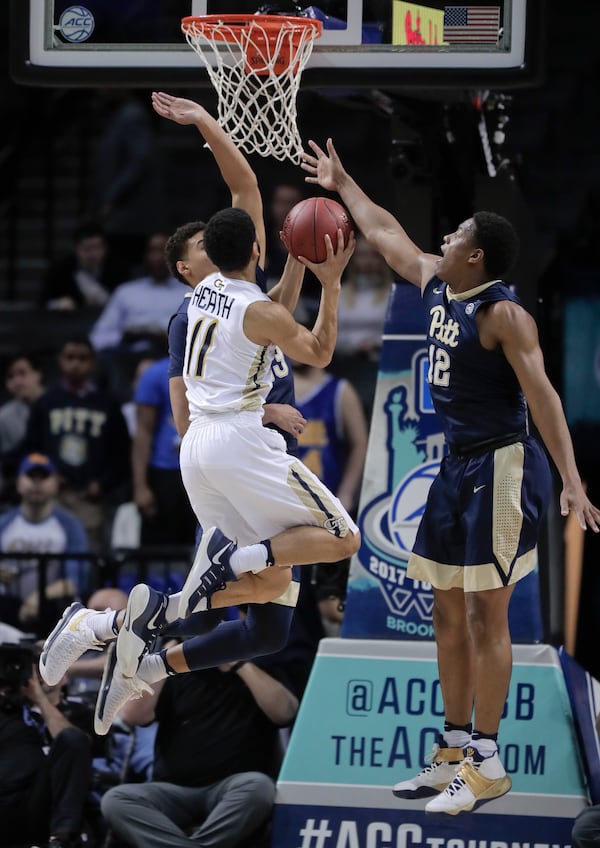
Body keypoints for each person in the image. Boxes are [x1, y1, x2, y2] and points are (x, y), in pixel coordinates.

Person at [39, 92, 358, 738]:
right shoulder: (230, 307)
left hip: (209, 455)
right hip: (240, 447)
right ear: (247, 247)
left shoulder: (212, 292)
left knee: (269, 620)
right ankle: (202, 587)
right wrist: (330, 279)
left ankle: (119, 640)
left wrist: (205, 121)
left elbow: (242, 184)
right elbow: (314, 347)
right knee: (341, 538)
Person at [300, 137, 600, 814]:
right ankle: (451, 750)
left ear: (478, 256)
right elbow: (383, 230)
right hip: (452, 466)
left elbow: (546, 398)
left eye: (457, 233)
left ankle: (488, 762)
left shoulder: (505, 315)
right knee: (443, 612)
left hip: (500, 466)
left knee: (484, 613)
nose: (444, 235)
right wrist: (344, 181)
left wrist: (573, 479)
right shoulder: (438, 279)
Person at [100, 630, 299, 848]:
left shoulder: (259, 662)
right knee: (116, 800)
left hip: (233, 786)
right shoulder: (174, 670)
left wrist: (238, 663)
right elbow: (132, 716)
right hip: (174, 789)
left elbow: (286, 713)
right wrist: (168, 657)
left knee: (259, 787)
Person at [23, 336, 131, 551]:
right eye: (70, 357)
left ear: (92, 362)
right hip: (53, 495)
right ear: (60, 361)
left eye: (82, 358)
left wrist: (102, 484)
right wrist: (46, 475)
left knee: (87, 555)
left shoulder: (107, 404)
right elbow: (32, 447)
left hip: (91, 500)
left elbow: (120, 453)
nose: (76, 364)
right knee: (51, 551)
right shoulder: (47, 402)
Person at [293, 361, 369, 632]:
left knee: (328, 601)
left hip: (326, 510)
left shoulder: (340, 391)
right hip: (283, 506)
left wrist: (347, 493)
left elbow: (361, 443)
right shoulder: (272, 385)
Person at [0, 641, 93, 848]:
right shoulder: (7, 710)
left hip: (50, 800)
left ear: (65, 676)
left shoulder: (78, 711)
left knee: (72, 739)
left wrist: (40, 700)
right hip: (10, 800)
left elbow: (76, 745)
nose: (40, 676)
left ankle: (60, 841)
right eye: (35, 668)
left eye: (48, 667)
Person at [0, 453, 89, 636]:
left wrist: (38, 597)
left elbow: (75, 582)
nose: (37, 483)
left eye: (44, 477)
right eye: (31, 477)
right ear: (18, 482)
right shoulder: (4, 524)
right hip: (7, 608)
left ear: (56, 483)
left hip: (53, 611)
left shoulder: (70, 526)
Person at [131, 356, 197, 548]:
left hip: (205, 469)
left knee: (204, 547)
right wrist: (140, 486)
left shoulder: (218, 368)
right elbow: (143, 432)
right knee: (159, 551)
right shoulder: (155, 374)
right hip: (165, 472)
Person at [40, 221, 126, 311]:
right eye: (87, 249)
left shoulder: (119, 268)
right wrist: (57, 304)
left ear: (105, 248)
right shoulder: (60, 270)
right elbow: (42, 303)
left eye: (97, 248)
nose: (93, 254)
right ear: (76, 248)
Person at [0, 353, 45, 503]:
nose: (17, 381)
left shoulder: (59, 405)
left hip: (61, 490)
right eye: (10, 377)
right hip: (18, 494)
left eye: (22, 373)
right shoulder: (4, 417)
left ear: (37, 374)